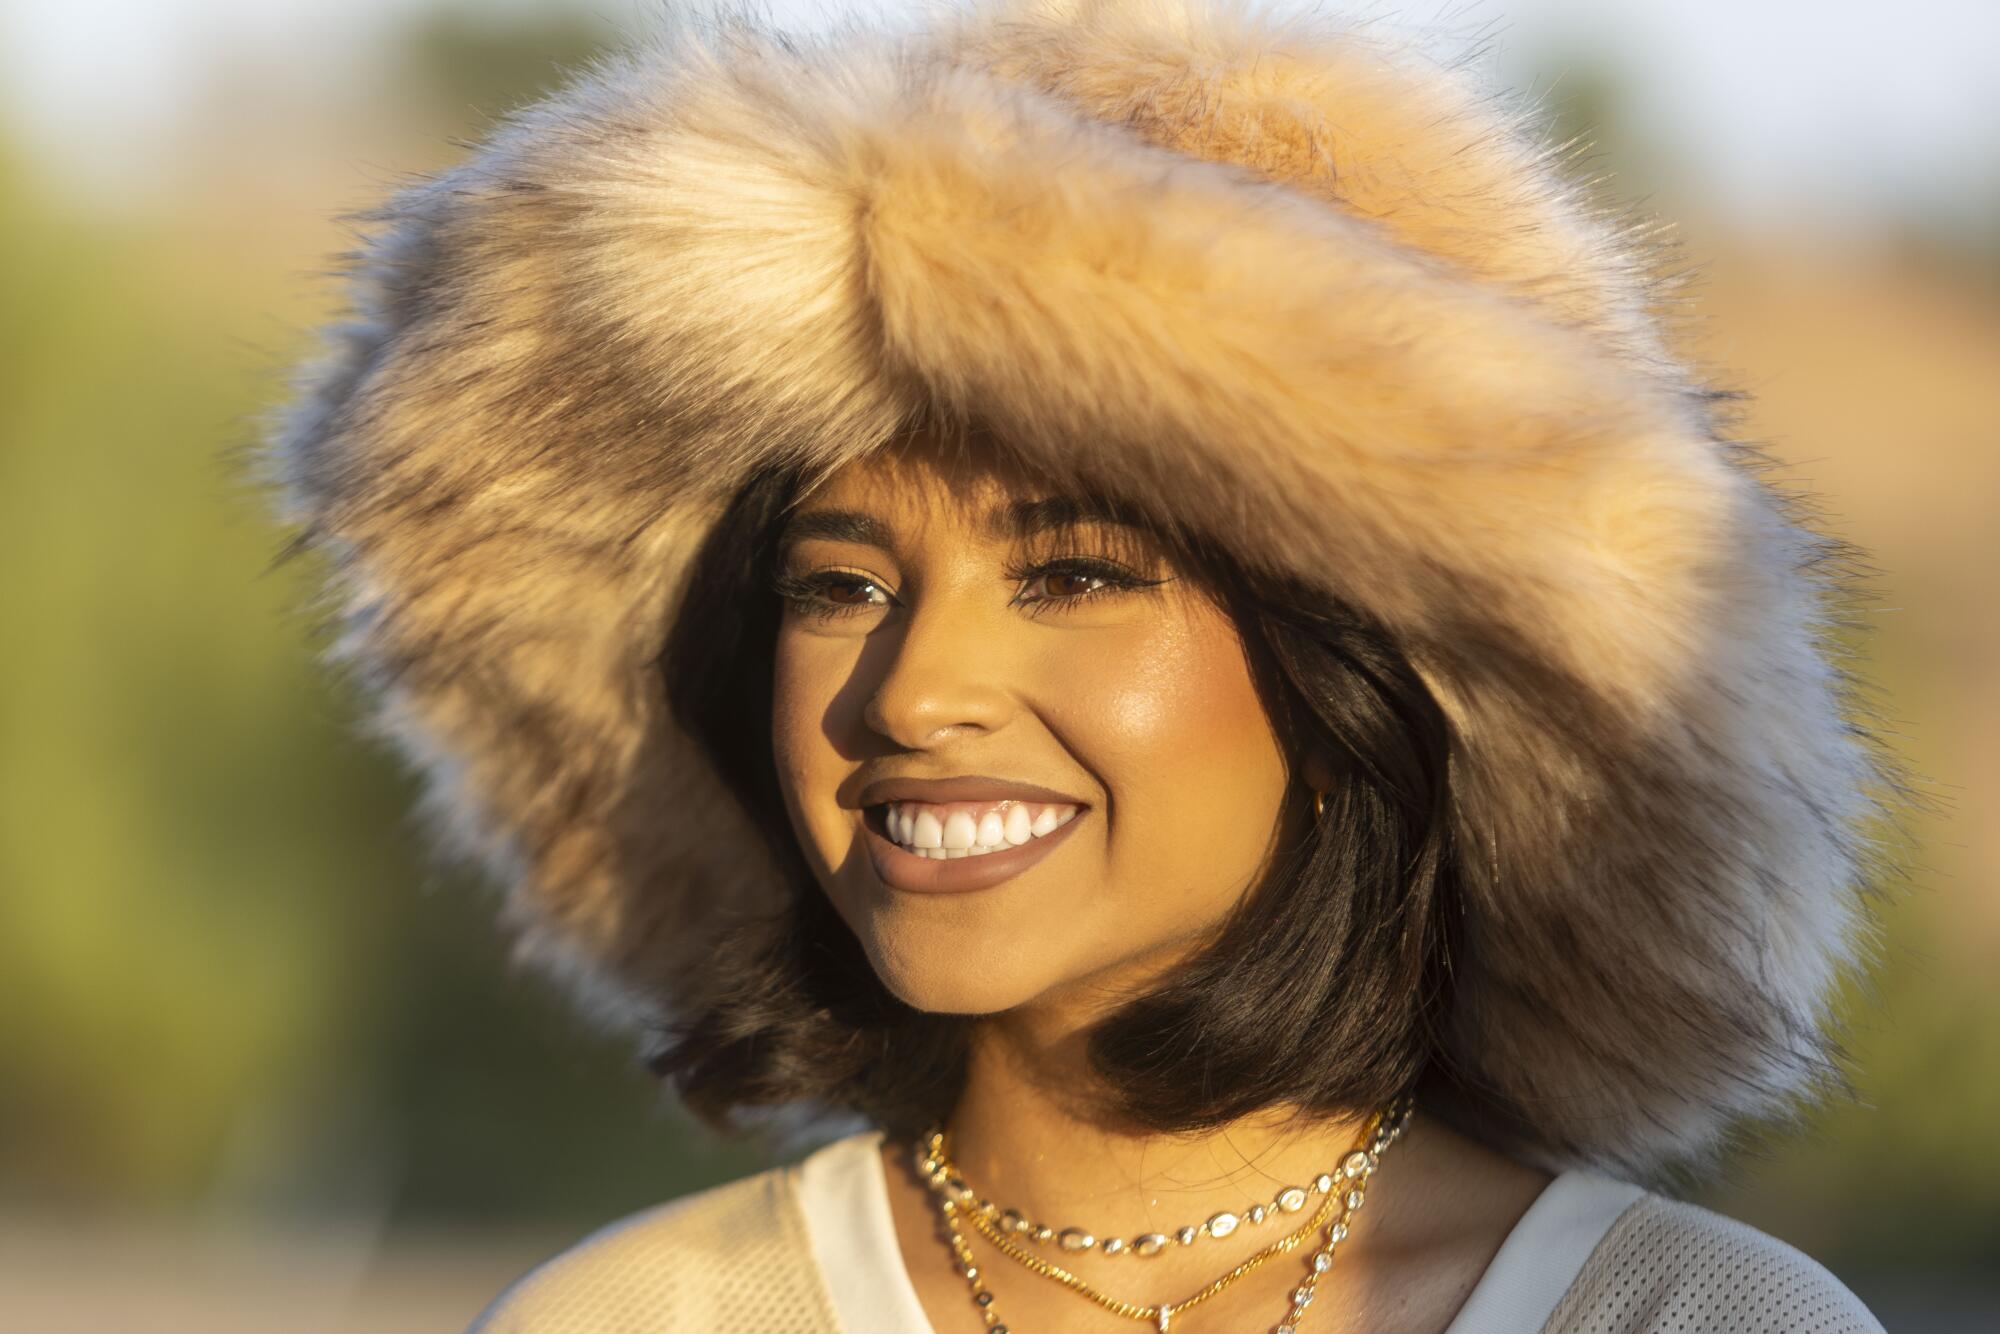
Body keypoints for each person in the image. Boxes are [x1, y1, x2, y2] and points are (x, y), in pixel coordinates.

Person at [258, 1, 1911, 1329]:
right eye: (838, 583)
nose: (910, 695)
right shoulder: (642, 1317)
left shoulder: (1691, 1317)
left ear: (1347, 683)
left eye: (1071, 573)